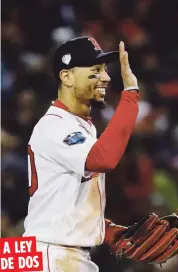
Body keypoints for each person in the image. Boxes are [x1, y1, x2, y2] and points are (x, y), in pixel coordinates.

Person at [23, 37, 140, 271]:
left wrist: (100, 228)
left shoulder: (79, 124)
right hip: (50, 255)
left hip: (52, 252)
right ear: (66, 77)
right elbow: (103, 159)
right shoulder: (54, 124)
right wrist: (130, 96)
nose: (106, 77)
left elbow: (61, 195)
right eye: (95, 70)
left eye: (105, 70)